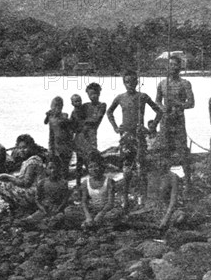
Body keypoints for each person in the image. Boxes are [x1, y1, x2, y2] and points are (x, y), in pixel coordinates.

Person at [107, 69, 163, 210]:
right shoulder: (120, 98)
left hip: (139, 135)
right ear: (124, 83)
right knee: (126, 169)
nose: (130, 84)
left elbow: (159, 111)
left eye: (132, 81)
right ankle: (125, 197)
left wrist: (151, 127)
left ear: (137, 82)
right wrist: (115, 127)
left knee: (141, 168)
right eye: (127, 82)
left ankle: (142, 197)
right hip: (126, 136)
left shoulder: (142, 97)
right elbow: (109, 112)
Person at [156, 56, 195, 191]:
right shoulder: (162, 83)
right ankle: (164, 181)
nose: (173, 67)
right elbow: (157, 101)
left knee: (183, 151)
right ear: (167, 67)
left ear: (180, 67)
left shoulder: (185, 83)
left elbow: (191, 103)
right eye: (170, 65)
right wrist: (162, 108)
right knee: (164, 150)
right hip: (166, 120)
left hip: (178, 119)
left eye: (175, 65)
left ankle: (188, 182)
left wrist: (179, 105)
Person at [128, 143, 183, 229]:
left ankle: (157, 227)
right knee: (129, 218)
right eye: (158, 160)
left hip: (164, 209)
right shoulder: (149, 175)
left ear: (169, 161)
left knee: (180, 217)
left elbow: (173, 202)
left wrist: (165, 218)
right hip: (149, 209)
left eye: (164, 160)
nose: (161, 163)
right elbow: (143, 195)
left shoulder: (173, 177)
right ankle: (152, 227)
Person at [0, 134, 45, 215]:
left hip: (33, 194)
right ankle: (5, 203)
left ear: (32, 147)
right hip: (35, 191)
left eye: (25, 148)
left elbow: (25, 183)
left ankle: (9, 205)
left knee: (0, 182)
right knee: (4, 182)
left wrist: (9, 177)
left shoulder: (33, 161)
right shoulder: (30, 160)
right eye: (20, 148)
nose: (21, 150)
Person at [80, 150, 122, 228]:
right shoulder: (85, 183)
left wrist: (100, 214)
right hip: (93, 209)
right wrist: (88, 216)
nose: (94, 169)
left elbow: (110, 203)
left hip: (106, 210)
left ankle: (93, 223)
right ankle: (93, 222)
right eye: (90, 167)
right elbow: (84, 202)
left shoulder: (109, 181)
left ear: (101, 167)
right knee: (69, 211)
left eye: (96, 166)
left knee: (115, 214)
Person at [45, 97, 73, 180]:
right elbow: (51, 134)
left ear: (62, 107)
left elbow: (70, 130)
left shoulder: (64, 116)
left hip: (65, 146)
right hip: (55, 146)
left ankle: (65, 184)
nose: (57, 108)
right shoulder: (51, 118)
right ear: (51, 106)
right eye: (54, 106)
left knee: (65, 168)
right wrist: (50, 148)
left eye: (59, 106)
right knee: (55, 167)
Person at [70, 93, 88, 192]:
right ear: (72, 103)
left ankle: (90, 180)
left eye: (79, 100)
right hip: (79, 138)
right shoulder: (74, 113)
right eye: (76, 101)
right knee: (80, 162)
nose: (78, 103)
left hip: (85, 137)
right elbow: (71, 126)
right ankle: (78, 182)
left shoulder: (84, 110)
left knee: (86, 160)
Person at [81, 83, 107, 153]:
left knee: (92, 151)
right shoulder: (85, 105)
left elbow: (96, 120)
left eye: (95, 93)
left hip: (92, 133)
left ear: (99, 93)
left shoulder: (102, 105)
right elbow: (76, 116)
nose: (93, 96)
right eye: (90, 94)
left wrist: (84, 121)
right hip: (81, 133)